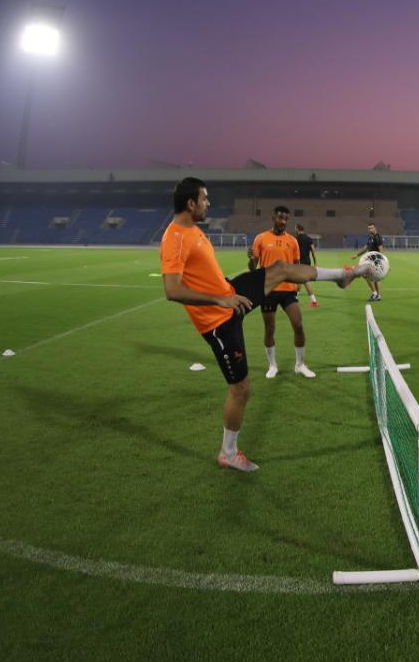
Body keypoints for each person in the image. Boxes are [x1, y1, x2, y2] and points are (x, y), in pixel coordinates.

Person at [160, 178, 373, 472]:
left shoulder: (194, 231)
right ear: (190, 203)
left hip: (231, 295)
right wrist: (219, 301)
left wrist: (227, 293)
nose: (209, 203)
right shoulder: (174, 238)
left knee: (281, 269)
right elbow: (172, 290)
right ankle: (228, 453)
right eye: (205, 199)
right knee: (241, 390)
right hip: (219, 321)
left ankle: (341, 275)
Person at [249, 207, 315, 380]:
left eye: (286, 218)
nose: (284, 221)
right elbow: (253, 267)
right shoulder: (261, 238)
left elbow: (296, 265)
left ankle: (300, 365)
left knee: (298, 325)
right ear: (273, 217)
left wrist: (299, 282)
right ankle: (272, 365)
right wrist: (250, 259)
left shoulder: (292, 241)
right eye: (280, 217)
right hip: (268, 290)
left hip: (288, 291)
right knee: (270, 329)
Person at [353, 222, 385, 302]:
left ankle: (374, 293)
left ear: (375, 228)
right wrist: (357, 255)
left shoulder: (377, 237)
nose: (370, 229)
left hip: (375, 262)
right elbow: (365, 248)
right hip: (371, 261)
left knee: (365, 274)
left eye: (371, 228)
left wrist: (382, 262)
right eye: (369, 228)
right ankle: (378, 295)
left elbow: (381, 250)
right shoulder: (371, 237)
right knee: (375, 279)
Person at [294, 223, 318, 308]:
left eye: (295, 229)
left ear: (297, 229)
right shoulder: (309, 239)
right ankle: (294, 299)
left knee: (304, 281)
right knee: (300, 281)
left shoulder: (295, 239)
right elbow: (313, 251)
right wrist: (315, 263)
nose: (295, 230)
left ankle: (314, 301)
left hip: (300, 263)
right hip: (307, 263)